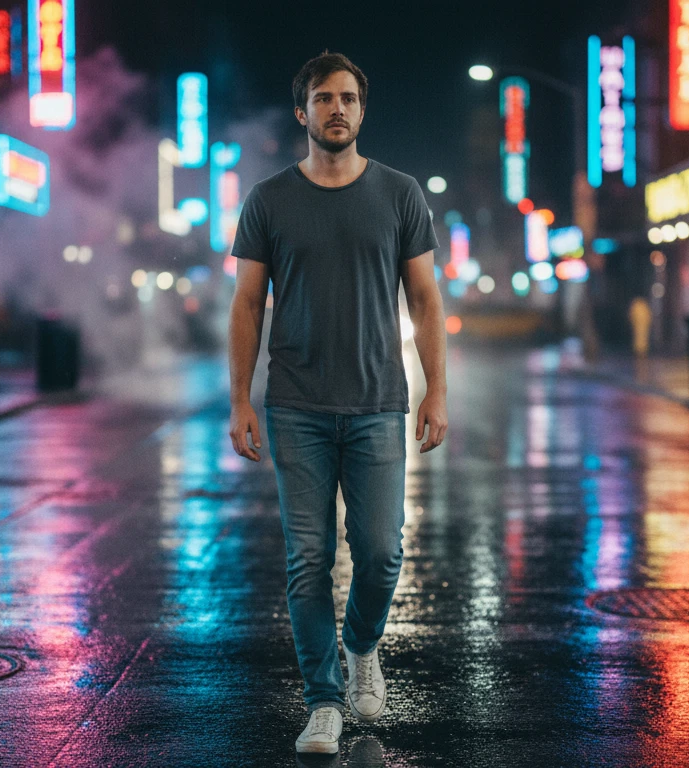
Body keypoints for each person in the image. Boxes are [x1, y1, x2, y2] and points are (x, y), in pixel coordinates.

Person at [226, 51, 447, 755]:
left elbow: (425, 299)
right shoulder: (269, 200)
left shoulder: (400, 193)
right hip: (296, 405)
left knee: (381, 553)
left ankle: (361, 645)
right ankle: (323, 702)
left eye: (348, 97)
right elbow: (246, 304)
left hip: (379, 401)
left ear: (362, 109)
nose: (337, 109)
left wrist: (436, 389)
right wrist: (240, 400)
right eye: (324, 98)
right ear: (304, 111)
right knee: (308, 560)